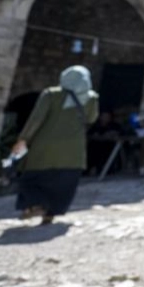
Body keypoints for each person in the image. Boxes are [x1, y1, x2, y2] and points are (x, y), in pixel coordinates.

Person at [10, 65, 99, 224]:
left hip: (45, 146)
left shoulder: (52, 94)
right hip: (73, 150)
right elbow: (91, 119)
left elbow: (36, 119)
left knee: (33, 178)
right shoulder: (92, 98)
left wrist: (23, 139)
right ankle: (50, 214)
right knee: (63, 183)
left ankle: (35, 205)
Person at [86, 111, 127, 175]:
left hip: (109, 146)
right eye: (104, 116)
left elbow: (121, 134)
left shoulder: (114, 126)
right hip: (95, 146)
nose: (105, 118)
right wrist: (95, 136)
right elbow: (90, 134)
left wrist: (113, 135)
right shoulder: (96, 126)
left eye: (107, 117)